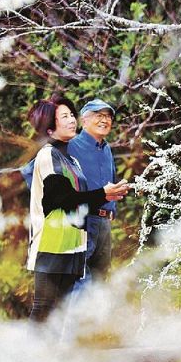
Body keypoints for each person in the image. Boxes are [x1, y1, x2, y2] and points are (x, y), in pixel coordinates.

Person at [26, 93, 128, 322]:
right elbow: (63, 197)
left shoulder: (71, 158)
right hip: (53, 240)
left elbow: (77, 195)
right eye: (66, 116)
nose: (71, 119)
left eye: (71, 114)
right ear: (50, 129)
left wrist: (110, 197)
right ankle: (27, 355)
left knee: (58, 305)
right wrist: (103, 194)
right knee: (45, 305)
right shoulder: (52, 154)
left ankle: (65, 348)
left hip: (72, 237)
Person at [67, 99, 118, 286]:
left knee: (101, 277)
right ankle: (75, 315)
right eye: (99, 115)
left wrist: (114, 206)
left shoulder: (106, 149)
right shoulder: (70, 145)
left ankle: (94, 316)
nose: (105, 120)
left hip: (104, 223)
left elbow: (111, 181)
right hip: (82, 220)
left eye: (108, 116)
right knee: (80, 278)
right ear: (84, 120)